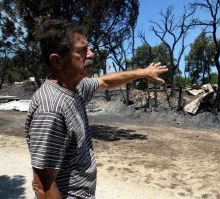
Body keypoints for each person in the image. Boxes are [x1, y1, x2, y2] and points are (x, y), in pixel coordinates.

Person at [24, 19, 168, 199]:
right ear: (57, 61)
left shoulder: (75, 88)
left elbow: (106, 81)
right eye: (82, 50)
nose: (91, 54)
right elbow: (43, 186)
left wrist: (143, 73)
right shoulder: (50, 108)